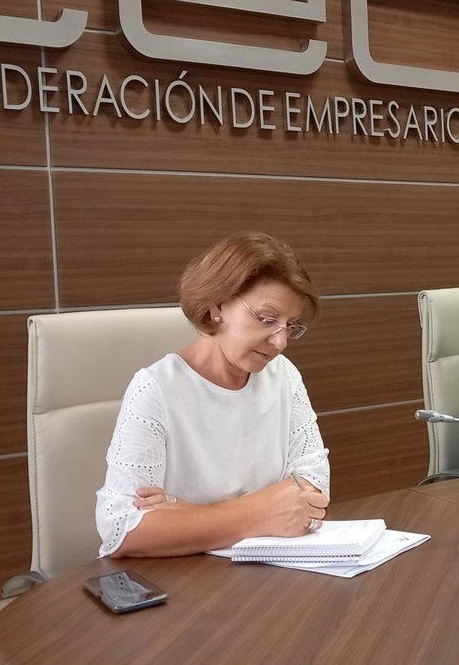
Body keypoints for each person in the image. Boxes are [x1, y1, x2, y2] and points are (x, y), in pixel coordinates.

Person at [96, 232, 330, 558]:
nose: (280, 342)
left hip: (266, 572)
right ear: (218, 305)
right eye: (267, 319)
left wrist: (187, 512)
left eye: (290, 326)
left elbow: (313, 487)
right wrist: (260, 514)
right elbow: (122, 529)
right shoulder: (155, 388)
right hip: (182, 578)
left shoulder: (284, 376)